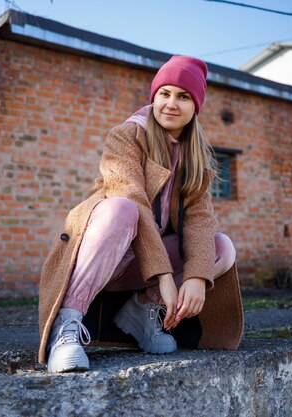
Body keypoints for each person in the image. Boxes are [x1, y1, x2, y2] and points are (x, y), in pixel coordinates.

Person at [38, 56, 244, 373]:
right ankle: (66, 325)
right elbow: (131, 196)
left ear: (196, 107)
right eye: (165, 93)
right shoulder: (125, 136)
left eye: (183, 96)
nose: (171, 103)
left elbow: (201, 224)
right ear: (154, 96)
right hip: (105, 256)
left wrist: (198, 277)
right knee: (123, 208)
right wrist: (164, 277)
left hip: (140, 271)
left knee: (222, 247)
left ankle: (143, 310)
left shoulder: (195, 159)